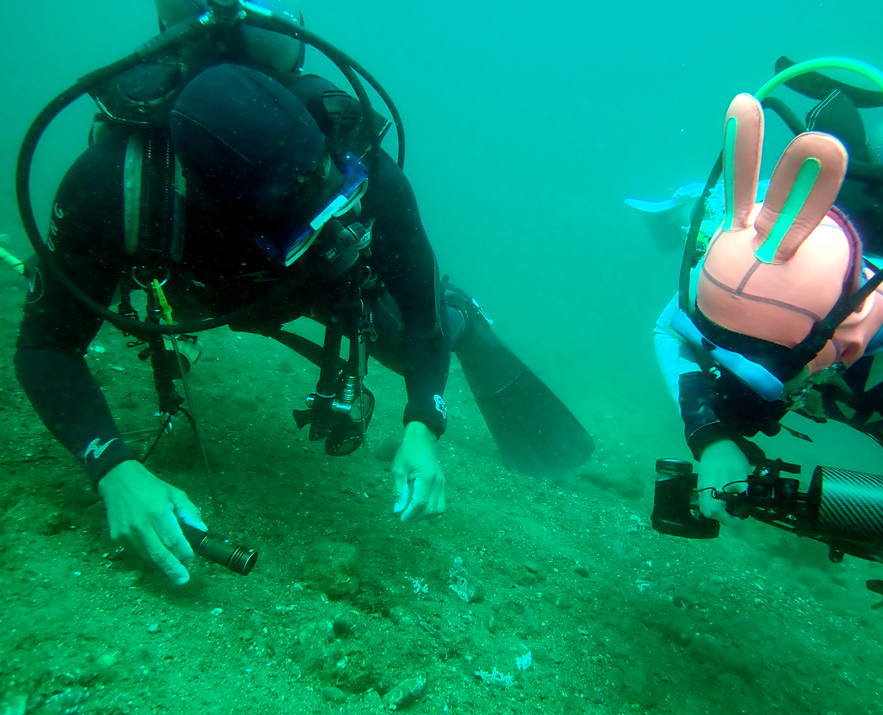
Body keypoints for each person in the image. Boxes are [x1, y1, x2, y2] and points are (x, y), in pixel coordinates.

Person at [12, 1, 592, 588]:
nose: (316, 216)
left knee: (407, 343)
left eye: (324, 194)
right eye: (289, 218)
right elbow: (46, 347)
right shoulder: (116, 187)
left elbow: (419, 314)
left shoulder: (357, 158)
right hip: (193, 280)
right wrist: (113, 467)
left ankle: (465, 316)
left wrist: (422, 421)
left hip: (317, 284)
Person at [634, 60, 883, 607]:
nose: (733, 377)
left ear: (848, 339)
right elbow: (671, 328)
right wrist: (712, 436)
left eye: (760, 368)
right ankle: (673, 209)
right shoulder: (756, 241)